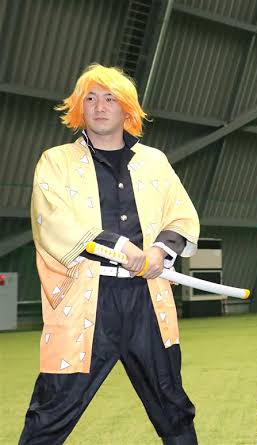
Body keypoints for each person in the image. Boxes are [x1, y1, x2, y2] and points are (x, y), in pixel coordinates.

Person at [20, 64, 200, 445]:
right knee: (50, 411)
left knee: (174, 409)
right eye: (90, 98)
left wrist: (159, 251)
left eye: (110, 98)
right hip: (86, 303)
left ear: (126, 108)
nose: (100, 107)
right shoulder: (55, 162)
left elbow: (182, 215)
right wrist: (118, 246)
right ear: (79, 107)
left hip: (146, 301)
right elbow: (52, 222)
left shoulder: (155, 161)